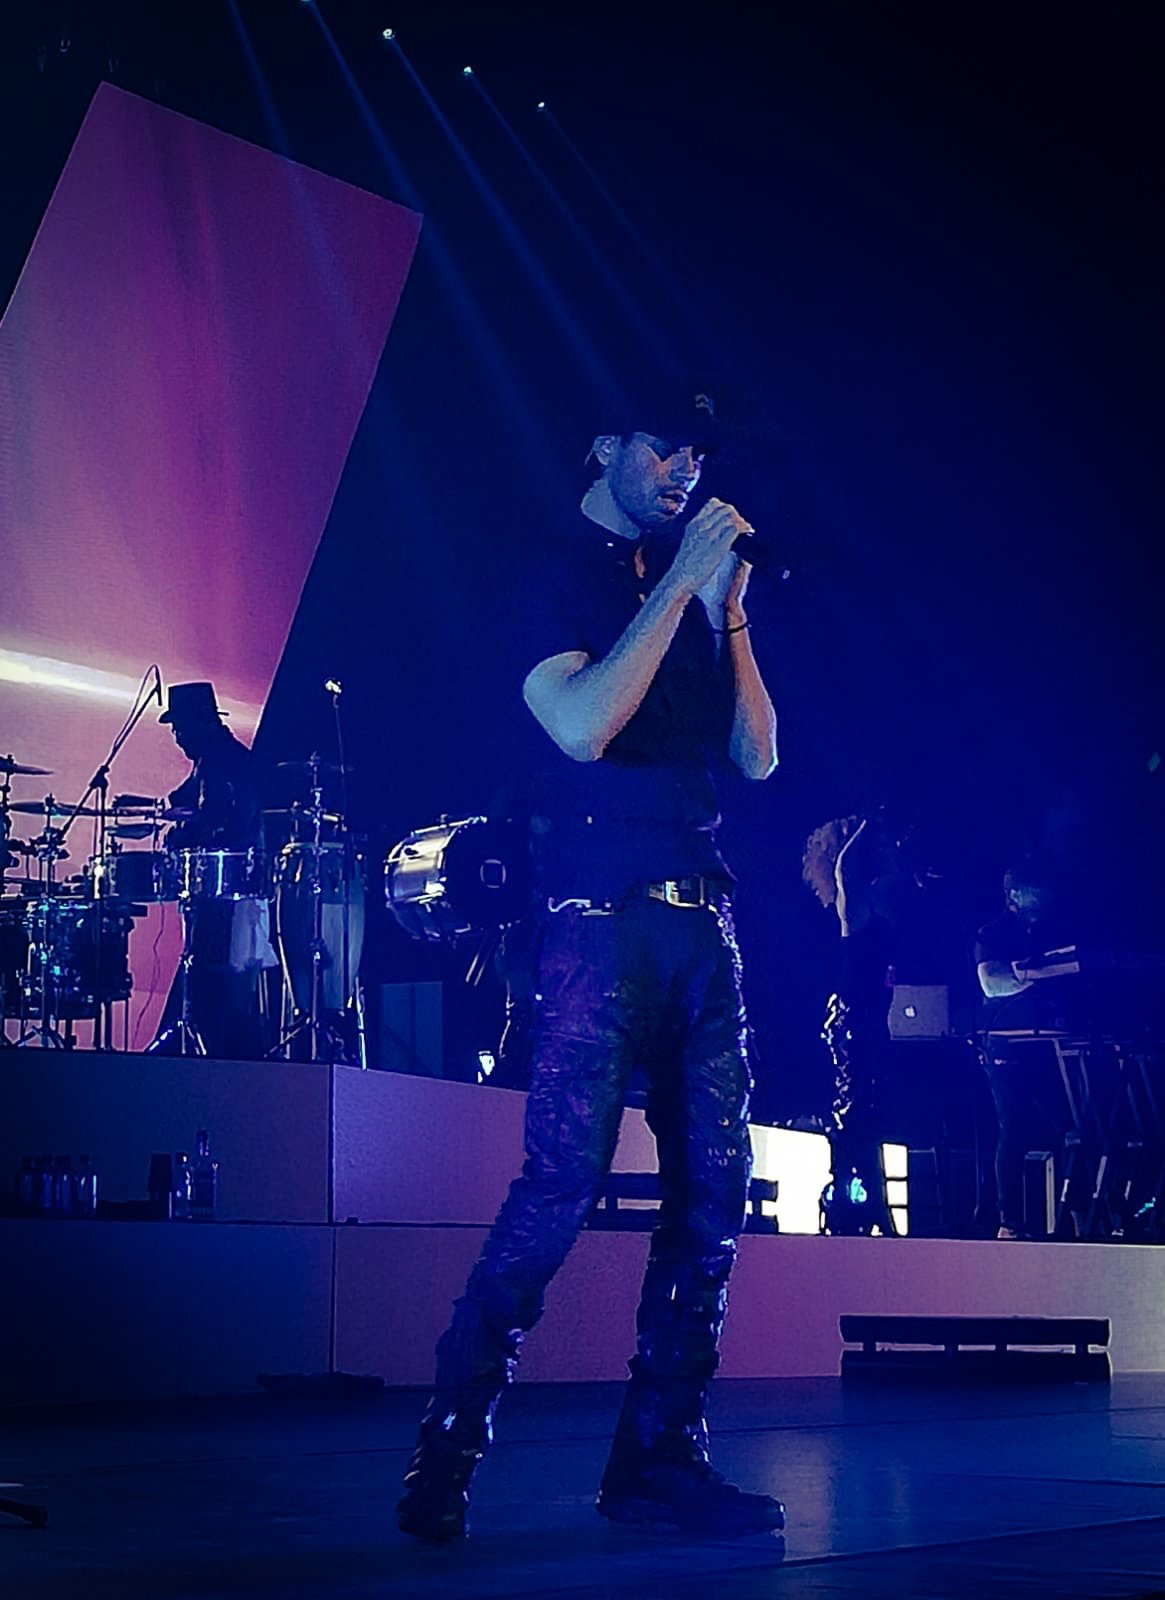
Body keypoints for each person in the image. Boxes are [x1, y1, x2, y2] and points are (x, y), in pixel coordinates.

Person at [397, 389, 783, 1542]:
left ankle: (661, 1458)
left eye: (698, 453)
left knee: (712, 1198)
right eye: (665, 447)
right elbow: (579, 724)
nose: (684, 469)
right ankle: (447, 1451)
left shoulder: (685, 588)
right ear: (608, 447)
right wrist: (675, 589)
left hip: (702, 923)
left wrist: (726, 611)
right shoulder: (546, 573)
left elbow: (758, 758)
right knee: (560, 1186)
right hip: (595, 929)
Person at [801, 813, 922, 1235]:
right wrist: (868, 823)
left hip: (869, 1020)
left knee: (867, 1110)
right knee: (856, 1111)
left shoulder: (877, 898)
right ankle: (858, 1204)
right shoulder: (852, 901)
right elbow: (846, 869)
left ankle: (866, 1203)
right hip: (853, 1019)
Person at [150, 681, 276, 1058]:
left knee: (212, 974)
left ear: (203, 722)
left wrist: (182, 834)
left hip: (228, 893)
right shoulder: (214, 759)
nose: (177, 738)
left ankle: (198, 1047)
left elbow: (225, 822)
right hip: (221, 893)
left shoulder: (226, 763)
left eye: (181, 728)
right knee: (204, 969)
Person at [975, 856, 1081, 1239]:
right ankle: (1010, 1222)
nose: (1044, 894)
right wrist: (1035, 974)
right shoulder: (993, 933)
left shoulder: (1054, 929)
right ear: (1014, 895)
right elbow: (992, 983)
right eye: (1035, 888)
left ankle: (1073, 1214)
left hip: (1051, 1043)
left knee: (1071, 1127)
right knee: (1014, 1128)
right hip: (1007, 1045)